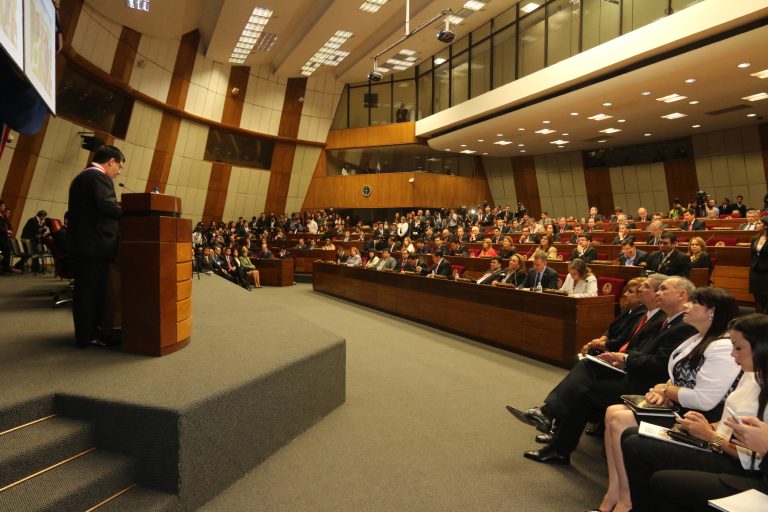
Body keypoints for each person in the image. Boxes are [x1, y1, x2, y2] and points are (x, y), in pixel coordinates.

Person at [507, 275, 694, 465]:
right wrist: (622, 359)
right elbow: (641, 349)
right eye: (658, 289)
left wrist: (625, 358)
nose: (659, 293)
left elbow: (660, 365)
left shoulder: (682, 325)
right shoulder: (669, 320)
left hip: (648, 386)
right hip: (635, 373)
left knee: (584, 387)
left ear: (682, 295)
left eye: (664, 289)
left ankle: (551, 426)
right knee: (585, 370)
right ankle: (553, 434)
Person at [594, 287, 741, 512]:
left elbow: (704, 400)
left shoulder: (722, 347)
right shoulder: (697, 337)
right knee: (613, 412)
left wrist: (666, 390)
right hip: (683, 409)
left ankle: (626, 500)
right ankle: (615, 491)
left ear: (711, 311)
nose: (686, 306)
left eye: (694, 303)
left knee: (621, 420)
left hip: (702, 420)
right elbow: (674, 375)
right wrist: (664, 388)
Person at [623, 314, 768, 512]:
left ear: (761, 347)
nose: (733, 354)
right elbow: (732, 422)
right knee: (632, 436)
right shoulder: (753, 374)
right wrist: (707, 427)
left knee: (655, 472)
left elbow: (752, 458)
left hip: (740, 465)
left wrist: (710, 436)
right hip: (721, 446)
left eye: (738, 348)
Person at [67, 145, 124, 348]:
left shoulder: (84, 176)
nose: (118, 172)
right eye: (119, 166)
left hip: (87, 244)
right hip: (94, 245)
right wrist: (133, 213)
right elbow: (107, 206)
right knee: (90, 292)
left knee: (88, 290)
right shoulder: (98, 177)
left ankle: (89, 332)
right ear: (111, 161)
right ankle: (87, 335)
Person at [749, 216, 768, 313]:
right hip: (755, 270)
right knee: (757, 297)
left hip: (766, 271)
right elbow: (752, 254)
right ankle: (758, 317)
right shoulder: (755, 238)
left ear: (766, 226)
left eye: (759, 223)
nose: (757, 225)